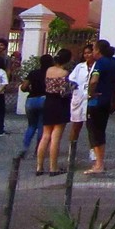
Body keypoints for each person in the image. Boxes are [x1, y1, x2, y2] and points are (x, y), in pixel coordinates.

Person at [85, 40, 115, 174]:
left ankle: (99, 164)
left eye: (94, 49)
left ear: (98, 50)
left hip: (97, 101)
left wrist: (91, 93)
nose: (93, 52)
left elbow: (94, 80)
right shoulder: (114, 62)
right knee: (101, 130)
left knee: (94, 132)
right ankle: (100, 162)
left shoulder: (100, 63)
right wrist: (113, 89)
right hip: (109, 100)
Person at [37, 48, 73, 176]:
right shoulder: (64, 73)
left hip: (49, 102)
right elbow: (64, 92)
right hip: (59, 104)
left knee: (45, 135)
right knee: (56, 136)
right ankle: (53, 167)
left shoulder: (48, 70)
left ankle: (39, 166)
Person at [21, 54, 52, 155]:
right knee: (41, 126)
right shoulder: (51, 73)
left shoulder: (33, 73)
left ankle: (25, 148)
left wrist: (30, 89)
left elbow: (23, 87)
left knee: (31, 126)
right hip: (44, 99)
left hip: (31, 100)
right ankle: (38, 149)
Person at [68, 44, 95, 144]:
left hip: (91, 99)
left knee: (92, 127)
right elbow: (71, 79)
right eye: (85, 53)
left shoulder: (97, 66)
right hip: (79, 98)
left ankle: (93, 150)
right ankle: (72, 148)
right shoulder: (80, 67)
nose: (87, 55)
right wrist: (73, 86)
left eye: (89, 53)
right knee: (76, 125)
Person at [0, 56, 7, 136]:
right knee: (0, 112)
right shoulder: (2, 72)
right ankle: (0, 130)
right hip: (0, 95)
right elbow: (4, 83)